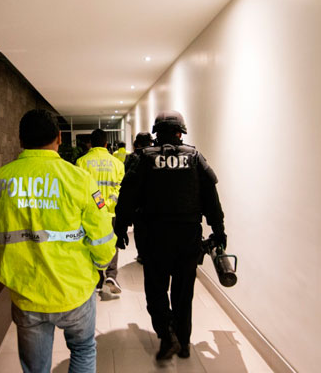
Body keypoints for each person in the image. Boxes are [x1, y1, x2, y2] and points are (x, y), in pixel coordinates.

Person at [0, 109, 116, 373]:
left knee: (35, 368)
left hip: (26, 292)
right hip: (74, 290)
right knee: (83, 349)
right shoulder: (79, 179)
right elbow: (101, 234)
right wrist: (101, 264)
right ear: (59, 138)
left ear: (21, 140)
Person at [115, 111, 227, 361]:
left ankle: (167, 334)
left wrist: (121, 227)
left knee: (156, 290)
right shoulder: (194, 157)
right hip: (188, 237)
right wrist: (219, 230)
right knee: (183, 292)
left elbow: (127, 196)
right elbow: (211, 199)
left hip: (154, 237)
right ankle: (184, 343)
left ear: (156, 133)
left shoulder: (144, 158)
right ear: (180, 132)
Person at [76, 129, 125, 295]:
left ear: (90, 143)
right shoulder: (117, 164)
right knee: (111, 241)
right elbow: (119, 188)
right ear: (106, 144)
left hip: (89, 212)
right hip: (110, 211)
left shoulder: (81, 162)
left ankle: (97, 279)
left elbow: (80, 188)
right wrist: (107, 204)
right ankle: (111, 275)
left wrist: (97, 205)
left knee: (91, 241)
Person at [122, 132, 153, 264]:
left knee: (139, 230)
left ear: (137, 143)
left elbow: (126, 179)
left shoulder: (132, 157)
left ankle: (141, 254)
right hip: (152, 201)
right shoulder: (155, 157)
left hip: (137, 202)